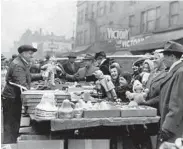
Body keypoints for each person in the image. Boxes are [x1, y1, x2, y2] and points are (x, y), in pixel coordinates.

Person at [2, 45, 44, 144]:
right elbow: (22, 84)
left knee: (13, 124)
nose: (32, 56)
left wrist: (42, 76)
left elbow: (27, 76)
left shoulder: (21, 62)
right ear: (23, 53)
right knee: (11, 125)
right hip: (11, 98)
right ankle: (9, 145)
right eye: (30, 54)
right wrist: (34, 91)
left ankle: (11, 143)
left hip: (13, 96)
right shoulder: (18, 65)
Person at [157, 41, 183, 147]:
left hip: (174, 128)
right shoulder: (176, 71)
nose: (163, 59)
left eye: (165, 56)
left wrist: (167, 129)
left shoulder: (180, 72)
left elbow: (177, 104)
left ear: (172, 56)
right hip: (173, 126)